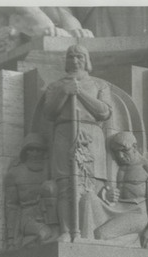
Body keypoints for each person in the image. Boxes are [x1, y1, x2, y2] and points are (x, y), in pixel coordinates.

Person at [43, 44, 112, 241]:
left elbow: (104, 112)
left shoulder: (100, 85)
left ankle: (88, 230)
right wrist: (65, 92)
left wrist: (80, 92)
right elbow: (48, 113)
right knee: (65, 184)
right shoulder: (56, 86)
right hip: (64, 132)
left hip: (91, 133)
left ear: (86, 61)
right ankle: (66, 230)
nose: (75, 61)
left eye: (79, 57)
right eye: (71, 57)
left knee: (90, 185)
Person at [78, 132, 148, 247]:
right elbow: (107, 192)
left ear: (134, 147)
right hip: (116, 209)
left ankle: (134, 242)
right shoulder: (118, 167)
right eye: (116, 152)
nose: (120, 156)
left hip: (137, 213)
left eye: (124, 151)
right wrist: (108, 195)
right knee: (88, 197)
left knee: (101, 234)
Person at [4, 133, 58, 249]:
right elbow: (11, 206)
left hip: (46, 214)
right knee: (44, 234)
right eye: (31, 150)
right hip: (27, 217)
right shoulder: (14, 174)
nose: (35, 153)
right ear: (26, 152)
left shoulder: (49, 168)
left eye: (38, 150)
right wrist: (10, 239)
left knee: (50, 186)